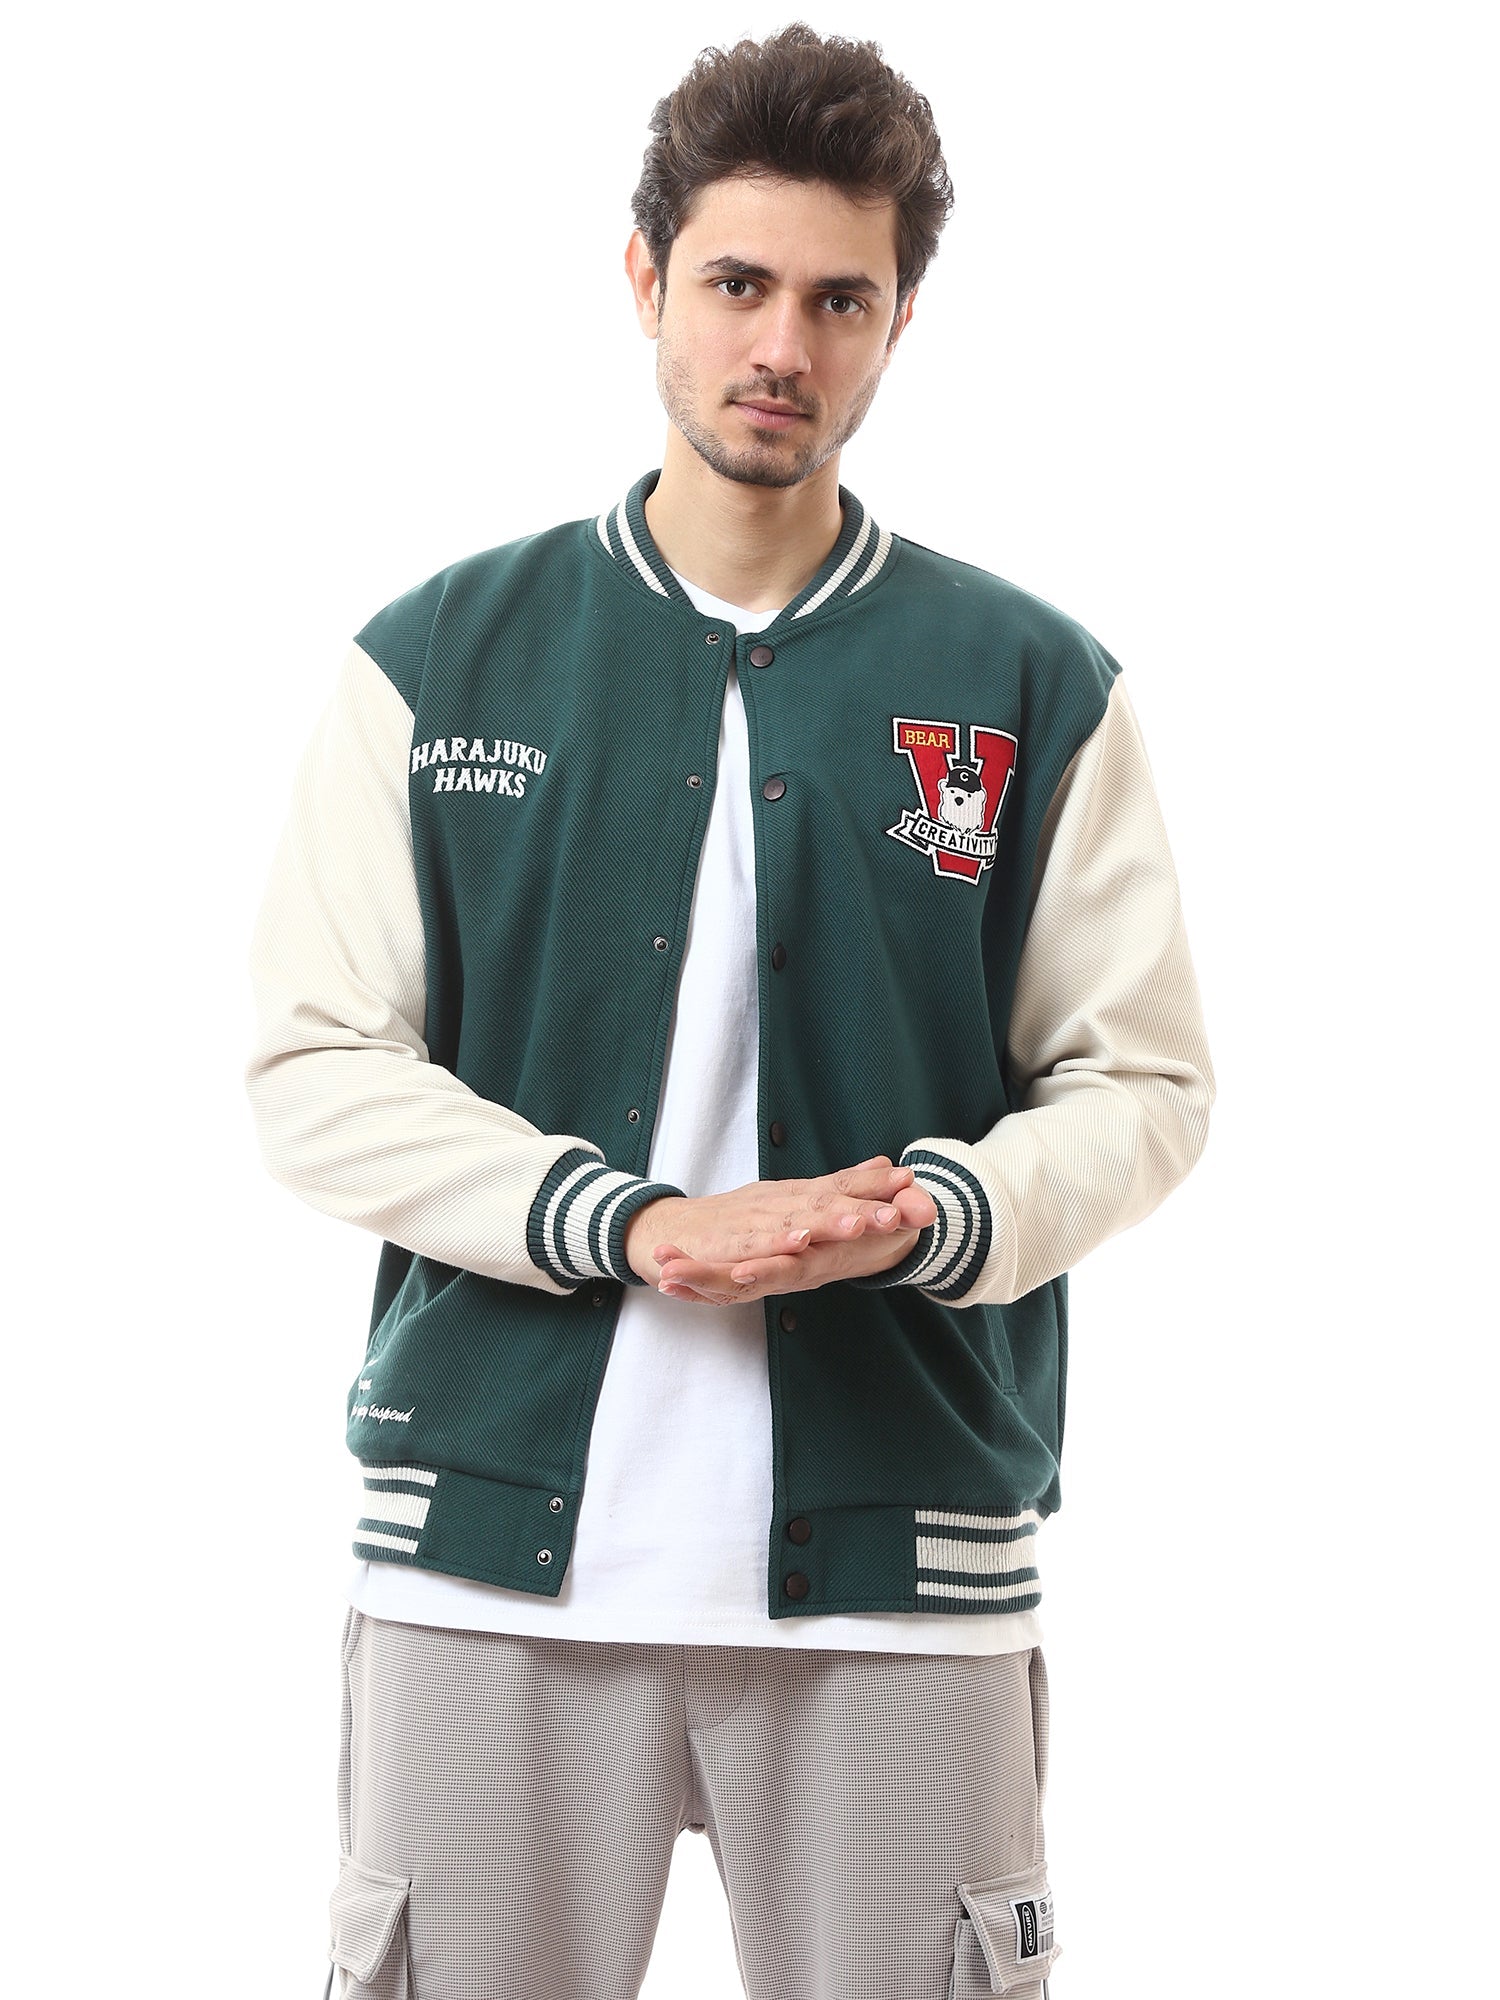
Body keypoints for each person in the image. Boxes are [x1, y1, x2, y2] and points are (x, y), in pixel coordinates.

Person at [244, 22, 1215, 2000]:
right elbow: (314, 1069)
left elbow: (1143, 1082)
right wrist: (628, 1221)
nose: (783, 345)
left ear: (900, 321)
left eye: (840, 299)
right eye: (739, 283)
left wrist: (940, 1207)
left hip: (902, 1578)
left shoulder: (1035, 682)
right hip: (488, 1568)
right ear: (645, 278)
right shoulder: (440, 660)